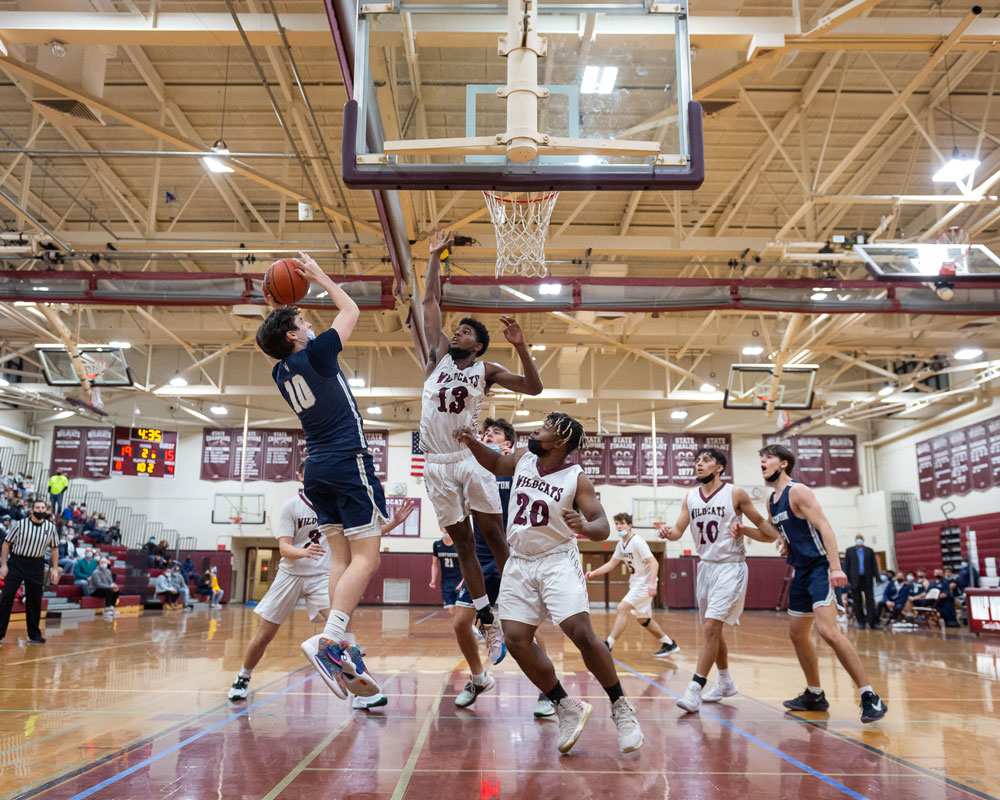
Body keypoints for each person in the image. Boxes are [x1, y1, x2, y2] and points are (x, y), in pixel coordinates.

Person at [455, 412, 643, 755]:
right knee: (515, 639)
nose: (534, 433)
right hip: (520, 561)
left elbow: (602, 526)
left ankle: (621, 707)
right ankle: (564, 705)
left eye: (542, 430)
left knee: (580, 633)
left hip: (557, 559)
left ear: (559, 442)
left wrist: (584, 527)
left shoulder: (576, 478)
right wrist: (470, 442)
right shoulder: (525, 459)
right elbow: (497, 461)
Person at [256, 252, 387, 700]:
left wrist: (279, 310)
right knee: (367, 558)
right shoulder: (316, 353)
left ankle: (343, 647)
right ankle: (331, 640)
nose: (311, 323)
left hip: (315, 470)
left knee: (341, 560)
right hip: (348, 460)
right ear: (295, 335)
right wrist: (320, 278)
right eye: (303, 321)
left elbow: (279, 334)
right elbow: (350, 310)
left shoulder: (281, 369)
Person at [419, 228, 543, 665]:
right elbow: (431, 303)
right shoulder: (435, 358)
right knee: (463, 546)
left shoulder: (485, 369)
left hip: (469, 458)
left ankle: (516, 608)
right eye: (457, 329)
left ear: (479, 344)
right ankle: (487, 620)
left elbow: (534, 386)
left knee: (493, 537)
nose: (457, 332)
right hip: (434, 464)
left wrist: (521, 346)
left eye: (466, 331)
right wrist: (435, 255)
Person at [228, 464, 414, 709]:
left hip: (322, 577)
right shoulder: (291, 506)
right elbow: (283, 548)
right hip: (290, 575)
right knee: (264, 635)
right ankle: (243, 677)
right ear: (301, 476)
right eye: (310, 472)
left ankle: (361, 692)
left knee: (343, 628)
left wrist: (395, 523)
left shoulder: (336, 505)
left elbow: (365, 534)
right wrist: (303, 552)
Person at [754, 444, 887, 723]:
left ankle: (869, 695)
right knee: (797, 634)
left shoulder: (798, 491)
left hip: (820, 568)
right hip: (800, 570)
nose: (762, 461)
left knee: (827, 631)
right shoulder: (772, 500)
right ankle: (815, 694)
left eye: (768, 457)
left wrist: (835, 567)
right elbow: (770, 533)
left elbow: (825, 527)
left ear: (783, 464)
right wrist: (751, 532)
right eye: (761, 458)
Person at [656, 447, 782, 713]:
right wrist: (668, 532)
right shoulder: (689, 497)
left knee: (711, 628)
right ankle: (725, 681)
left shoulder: (735, 493)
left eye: (706, 460)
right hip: (706, 568)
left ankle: (694, 689)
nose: (699, 464)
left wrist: (745, 529)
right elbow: (679, 531)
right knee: (714, 629)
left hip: (730, 567)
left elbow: (768, 534)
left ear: (719, 468)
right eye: (697, 460)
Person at [451, 418, 555, 719]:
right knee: (460, 623)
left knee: (526, 630)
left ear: (508, 440)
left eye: (495, 432)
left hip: (513, 557)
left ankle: (547, 689)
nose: (488, 435)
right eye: (486, 432)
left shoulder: (519, 467)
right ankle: (479, 678)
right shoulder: (473, 467)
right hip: (480, 558)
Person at [588, 512, 680, 659]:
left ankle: (608, 644)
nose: (619, 526)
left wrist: (652, 584)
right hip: (636, 583)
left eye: (622, 523)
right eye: (617, 524)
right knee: (643, 619)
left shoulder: (637, 541)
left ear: (629, 526)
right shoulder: (621, 544)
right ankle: (669, 643)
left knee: (622, 608)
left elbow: (654, 562)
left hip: (644, 584)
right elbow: (612, 563)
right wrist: (594, 573)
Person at [0, 499, 59, 644]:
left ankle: (34, 635)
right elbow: (6, 543)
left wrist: (55, 568)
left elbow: (54, 548)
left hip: (36, 564)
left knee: (35, 600)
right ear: (32, 510)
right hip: (17, 562)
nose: (40, 510)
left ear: (46, 510)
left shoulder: (50, 527)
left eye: (42, 507)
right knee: (7, 596)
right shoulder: (20, 525)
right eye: (37, 507)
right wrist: (4, 565)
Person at [844, 534, 879, 629]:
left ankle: (872, 622)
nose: (859, 540)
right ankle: (861, 622)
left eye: (861, 539)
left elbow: (874, 565)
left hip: (867, 578)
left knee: (870, 600)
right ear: (855, 540)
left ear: (863, 540)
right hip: (855, 579)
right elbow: (847, 566)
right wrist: (846, 578)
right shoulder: (849, 551)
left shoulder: (869, 551)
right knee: (857, 601)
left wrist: (877, 578)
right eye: (858, 539)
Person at [430, 532, 462, 611]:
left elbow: (466, 565)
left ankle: (464, 623)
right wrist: (433, 580)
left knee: (460, 607)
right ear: (441, 529)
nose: (446, 530)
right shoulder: (437, 545)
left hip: (459, 579)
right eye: (444, 527)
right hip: (446, 581)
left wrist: (462, 582)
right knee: (450, 608)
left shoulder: (459, 544)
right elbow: (434, 564)